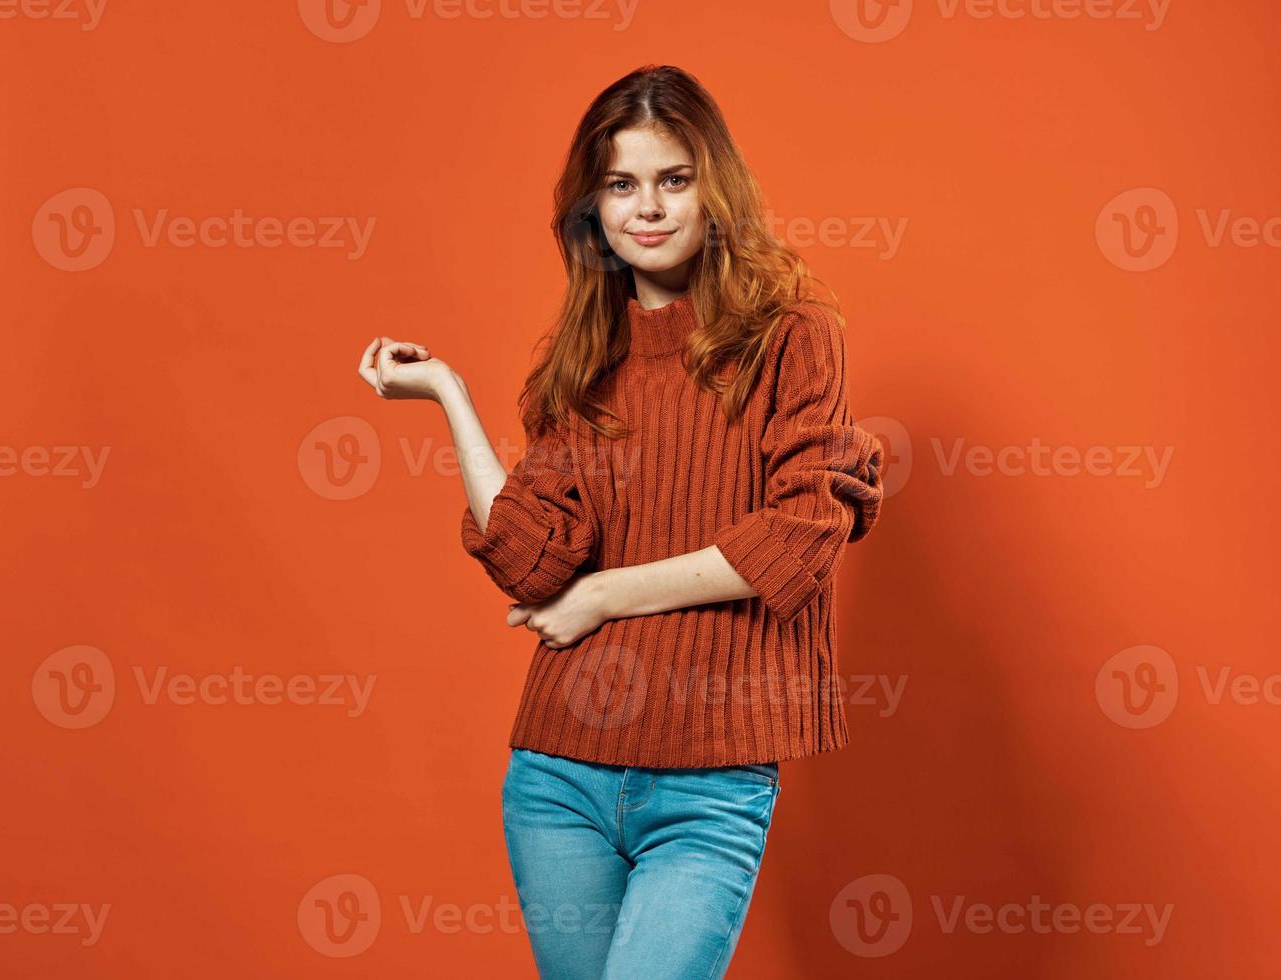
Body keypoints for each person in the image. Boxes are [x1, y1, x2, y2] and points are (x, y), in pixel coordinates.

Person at [357, 64, 885, 980]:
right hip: (560, 776)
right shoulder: (583, 359)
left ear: (714, 188)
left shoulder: (792, 331)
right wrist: (448, 394)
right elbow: (528, 561)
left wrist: (603, 595)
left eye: (673, 180)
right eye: (621, 184)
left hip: (713, 779)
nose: (648, 208)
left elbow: (799, 535)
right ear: (592, 206)